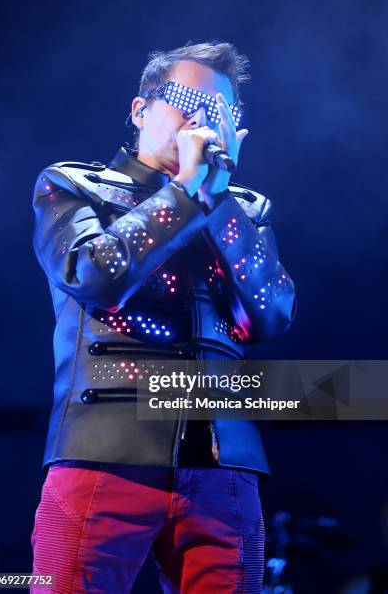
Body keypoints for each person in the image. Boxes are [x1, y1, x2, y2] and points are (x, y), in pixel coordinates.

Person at [31, 41, 296, 594]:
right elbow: (97, 277)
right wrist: (184, 192)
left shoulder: (245, 210)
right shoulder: (75, 187)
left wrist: (217, 200)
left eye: (220, 112)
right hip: (104, 456)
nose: (202, 121)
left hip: (223, 472)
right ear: (139, 109)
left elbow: (272, 314)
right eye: (184, 100)